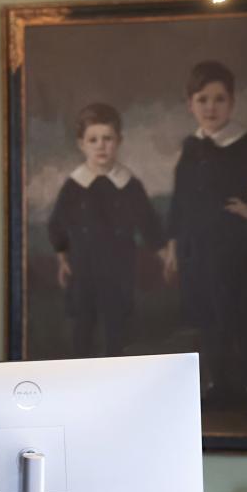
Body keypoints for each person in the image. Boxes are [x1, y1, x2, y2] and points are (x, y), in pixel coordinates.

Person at [162, 60, 247, 413]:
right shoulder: (192, 146)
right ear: (191, 104)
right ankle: (216, 385)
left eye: (219, 99)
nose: (211, 107)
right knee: (208, 320)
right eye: (202, 99)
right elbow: (179, 198)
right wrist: (174, 245)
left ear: (232, 102)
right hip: (195, 249)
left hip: (232, 246)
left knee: (240, 317)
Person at [48, 102, 166, 357]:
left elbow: (148, 221)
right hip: (83, 267)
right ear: (82, 144)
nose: (101, 145)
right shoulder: (74, 185)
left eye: (107, 138)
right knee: (83, 328)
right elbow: (57, 223)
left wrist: (164, 253)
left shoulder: (129, 184)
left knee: (117, 329)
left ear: (119, 141)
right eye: (93, 140)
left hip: (118, 268)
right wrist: (62, 257)